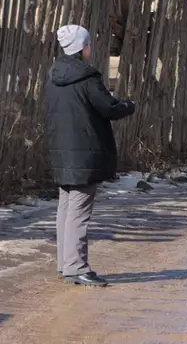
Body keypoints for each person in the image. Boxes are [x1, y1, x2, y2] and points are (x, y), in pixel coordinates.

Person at [44, 25, 135, 287]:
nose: (90, 49)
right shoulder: (87, 77)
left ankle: (65, 264)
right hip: (84, 154)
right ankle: (76, 267)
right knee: (79, 210)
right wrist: (128, 106)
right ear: (81, 48)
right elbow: (108, 108)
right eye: (88, 45)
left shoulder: (52, 76)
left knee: (66, 207)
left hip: (61, 151)